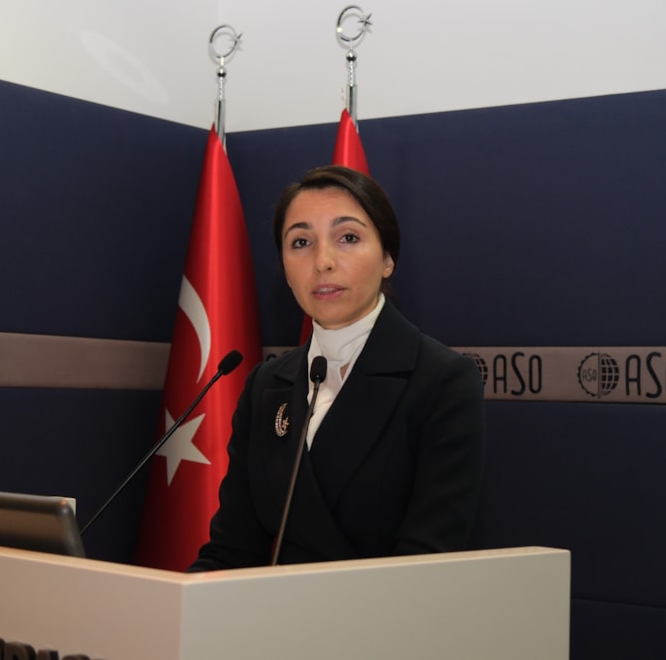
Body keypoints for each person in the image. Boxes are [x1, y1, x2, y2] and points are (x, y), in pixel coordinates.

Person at [189, 165, 485, 571]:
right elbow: (231, 551)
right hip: (274, 610)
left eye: (347, 238)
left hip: (386, 609)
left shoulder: (441, 381)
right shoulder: (266, 386)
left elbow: (426, 562)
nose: (322, 261)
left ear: (388, 259)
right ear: (285, 268)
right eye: (301, 242)